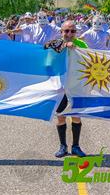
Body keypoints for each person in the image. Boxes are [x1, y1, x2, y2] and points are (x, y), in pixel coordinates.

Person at [44, 20, 86, 158]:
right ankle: (63, 146)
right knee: (61, 117)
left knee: (76, 117)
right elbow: (45, 51)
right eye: (66, 31)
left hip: (76, 87)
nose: (69, 33)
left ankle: (76, 146)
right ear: (61, 32)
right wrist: (64, 45)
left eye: (72, 31)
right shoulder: (54, 43)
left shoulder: (82, 45)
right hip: (60, 87)